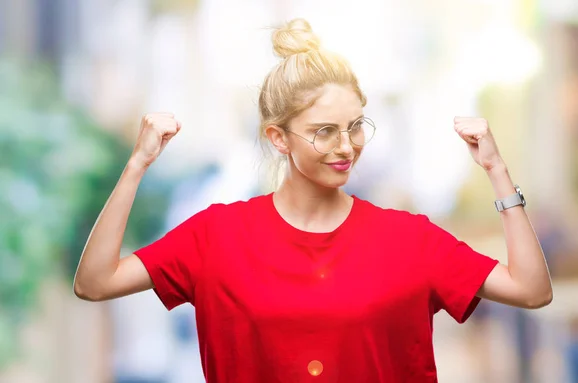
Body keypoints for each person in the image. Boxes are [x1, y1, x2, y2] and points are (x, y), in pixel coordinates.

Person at [73, 18, 553, 383]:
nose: (346, 146)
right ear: (278, 138)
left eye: (355, 126)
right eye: (324, 132)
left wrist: (498, 173)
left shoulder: (409, 238)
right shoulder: (214, 235)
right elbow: (95, 282)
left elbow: (532, 291)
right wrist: (136, 166)